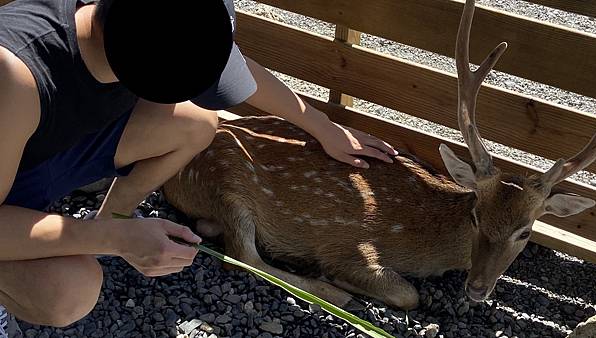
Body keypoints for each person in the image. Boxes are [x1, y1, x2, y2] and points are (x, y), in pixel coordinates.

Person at [0, 0, 398, 332]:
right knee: (69, 291)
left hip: (39, 152)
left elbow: (234, 68)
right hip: (11, 182)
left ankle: (109, 217)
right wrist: (115, 239)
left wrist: (322, 127)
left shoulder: (144, 22)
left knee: (197, 122)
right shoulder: (14, 77)